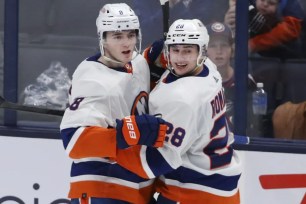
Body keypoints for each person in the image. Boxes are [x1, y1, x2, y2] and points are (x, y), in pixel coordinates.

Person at [111, 19, 242, 203]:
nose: (180, 58)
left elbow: (155, 162)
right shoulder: (210, 69)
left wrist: (111, 144)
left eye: (187, 51)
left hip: (195, 193)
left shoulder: (183, 101)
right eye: (176, 49)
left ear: (201, 51)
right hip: (221, 186)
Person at [59, 3, 167, 204]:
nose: (126, 43)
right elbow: (73, 141)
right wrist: (127, 132)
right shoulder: (92, 79)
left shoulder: (135, 62)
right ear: (104, 40)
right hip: (103, 188)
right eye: (117, 36)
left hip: (137, 186)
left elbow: (139, 69)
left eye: (131, 34)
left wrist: (156, 55)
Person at [224, 0, 305, 59]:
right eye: (262, 0)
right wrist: (226, 26)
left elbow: (291, 29)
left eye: (271, 3)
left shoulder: (291, 10)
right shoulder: (244, 7)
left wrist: (253, 44)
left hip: (283, 62)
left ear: (279, 6)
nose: (265, 4)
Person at [133, 0, 229, 48]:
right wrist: (168, 7)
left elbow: (199, 34)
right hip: (155, 56)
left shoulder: (208, 3)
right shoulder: (144, 2)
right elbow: (143, 33)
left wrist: (178, 5)